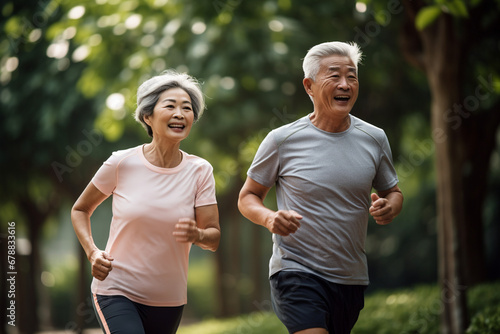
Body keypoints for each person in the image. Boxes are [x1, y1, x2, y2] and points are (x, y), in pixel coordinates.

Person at [238, 41, 403, 334]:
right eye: (334, 75)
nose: (345, 84)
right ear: (309, 85)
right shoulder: (282, 140)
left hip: (350, 277)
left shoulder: (374, 138)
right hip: (295, 271)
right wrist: (269, 218)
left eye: (352, 76)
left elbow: (393, 192)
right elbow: (248, 196)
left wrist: (390, 206)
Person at [71, 70, 220, 334]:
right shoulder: (121, 162)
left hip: (169, 297)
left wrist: (197, 234)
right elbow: (81, 209)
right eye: (170, 106)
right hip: (117, 290)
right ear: (147, 116)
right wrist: (93, 252)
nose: (180, 114)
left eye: (187, 108)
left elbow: (213, 237)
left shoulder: (200, 170)